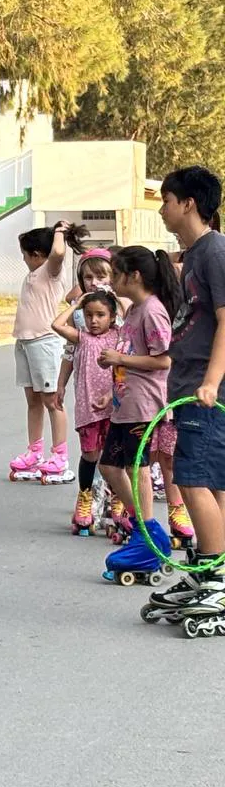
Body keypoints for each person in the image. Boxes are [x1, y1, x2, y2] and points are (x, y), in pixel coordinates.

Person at [145, 167, 225, 631]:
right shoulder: (194, 254)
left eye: (167, 200)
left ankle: (213, 575)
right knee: (213, 482)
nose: (162, 209)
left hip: (205, 390)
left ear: (189, 204)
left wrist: (212, 381)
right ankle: (211, 571)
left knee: (191, 479)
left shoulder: (215, 252)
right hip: (190, 385)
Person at [93, 246, 179, 584]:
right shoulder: (133, 311)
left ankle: (146, 539)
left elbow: (164, 359)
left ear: (135, 276)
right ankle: (148, 529)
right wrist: (109, 390)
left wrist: (120, 360)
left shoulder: (153, 312)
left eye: (116, 274)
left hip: (144, 405)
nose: (112, 281)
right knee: (109, 466)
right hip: (125, 404)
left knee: (137, 469)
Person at [6, 221, 89, 484]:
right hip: (25, 342)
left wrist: (60, 233)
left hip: (44, 342)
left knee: (52, 401)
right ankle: (34, 452)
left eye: (25, 255)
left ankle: (60, 456)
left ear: (37, 255)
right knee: (33, 400)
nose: (24, 259)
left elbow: (59, 253)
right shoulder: (33, 274)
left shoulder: (49, 271)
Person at [52, 290, 122, 534]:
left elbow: (129, 316)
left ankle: (117, 499)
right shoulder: (81, 338)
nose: (94, 320)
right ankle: (84, 497)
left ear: (112, 317)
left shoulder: (119, 338)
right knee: (90, 455)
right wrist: (77, 304)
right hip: (88, 409)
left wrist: (118, 301)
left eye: (101, 315)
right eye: (89, 315)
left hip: (114, 408)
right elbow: (56, 324)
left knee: (113, 458)